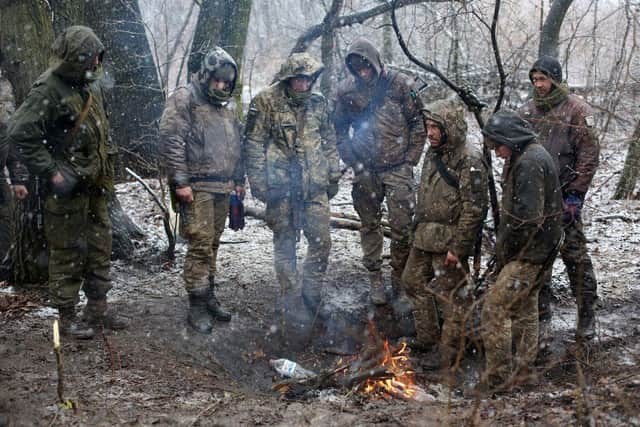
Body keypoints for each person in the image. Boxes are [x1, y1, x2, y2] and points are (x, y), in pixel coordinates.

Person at [7, 26, 127, 338]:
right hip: (66, 190)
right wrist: (51, 171)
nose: (97, 66)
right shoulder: (48, 89)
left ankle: (97, 308)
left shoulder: (89, 85)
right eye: (92, 60)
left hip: (96, 185)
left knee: (100, 246)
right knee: (67, 251)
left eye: (99, 60)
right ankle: (67, 316)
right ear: (78, 59)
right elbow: (19, 133)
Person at [244, 53, 340, 314]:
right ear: (289, 79)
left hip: (314, 187)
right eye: (299, 79)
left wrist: (332, 174)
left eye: (309, 79)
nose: (304, 85)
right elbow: (253, 145)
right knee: (285, 245)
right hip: (281, 188)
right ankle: (292, 299)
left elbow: (329, 140)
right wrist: (259, 184)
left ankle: (311, 296)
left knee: (321, 242)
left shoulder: (318, 104)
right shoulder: (265, 102)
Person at [334, 38, 426, 305]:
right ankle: (375, 277)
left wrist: (410, 160)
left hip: (398, 167)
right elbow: (338, 129)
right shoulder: (347, 91)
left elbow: (418, 123)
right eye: (356, 68)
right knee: (369, 224)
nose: (362, 72)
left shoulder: (401, 84)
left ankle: (400, 278)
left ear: (375, 62)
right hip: (365, 169)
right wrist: (351, 158)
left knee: (402, 227)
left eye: (365, 66)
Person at [160, 47, 244, 334]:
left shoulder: (228, 105)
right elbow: (172, 140)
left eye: (226, 82)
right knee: (199, 243)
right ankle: (196, 303)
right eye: (217, 80)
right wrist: (181, 182)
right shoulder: (185, 98)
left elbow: (237, 142)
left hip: (223, 184)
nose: (221, 86)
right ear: (207, 75)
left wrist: (239, 178)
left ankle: (208, 295)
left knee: (213, 243)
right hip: (196, 185)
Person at [401, 100, 487, 368]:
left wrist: (458, 248)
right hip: (424, 235)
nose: (430, 133)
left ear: (449, 128)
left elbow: (474, 209)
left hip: (449, 240)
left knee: (453, 299)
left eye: (435, 127)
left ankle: (452, 353)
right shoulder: (432, 153)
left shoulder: (469, 159)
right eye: (427, 126)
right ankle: (428, 337)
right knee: (412, 282)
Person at [519, 55, 600, 341]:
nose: (538, 85)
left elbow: (589, 155)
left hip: (565, 197)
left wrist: (576, 195)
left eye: (543, 79)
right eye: (534, 80)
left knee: (575, 257)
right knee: (539, 260)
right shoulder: (528, 112)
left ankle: (586, 314)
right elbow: (516, 154)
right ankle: (542, 317)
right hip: (536, 200)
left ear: (555, 78)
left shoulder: (576, 110)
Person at [480, 110, 563, 390]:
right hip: (541, 250)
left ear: (510, 138)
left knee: (494, 307)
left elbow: (527, 219)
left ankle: (497, 378)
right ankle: (524, 372)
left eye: (498, 146)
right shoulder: (531, 154)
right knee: (525, 307)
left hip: (529, 253)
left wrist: (507, 253)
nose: (498, 153)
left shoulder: (529, 162)